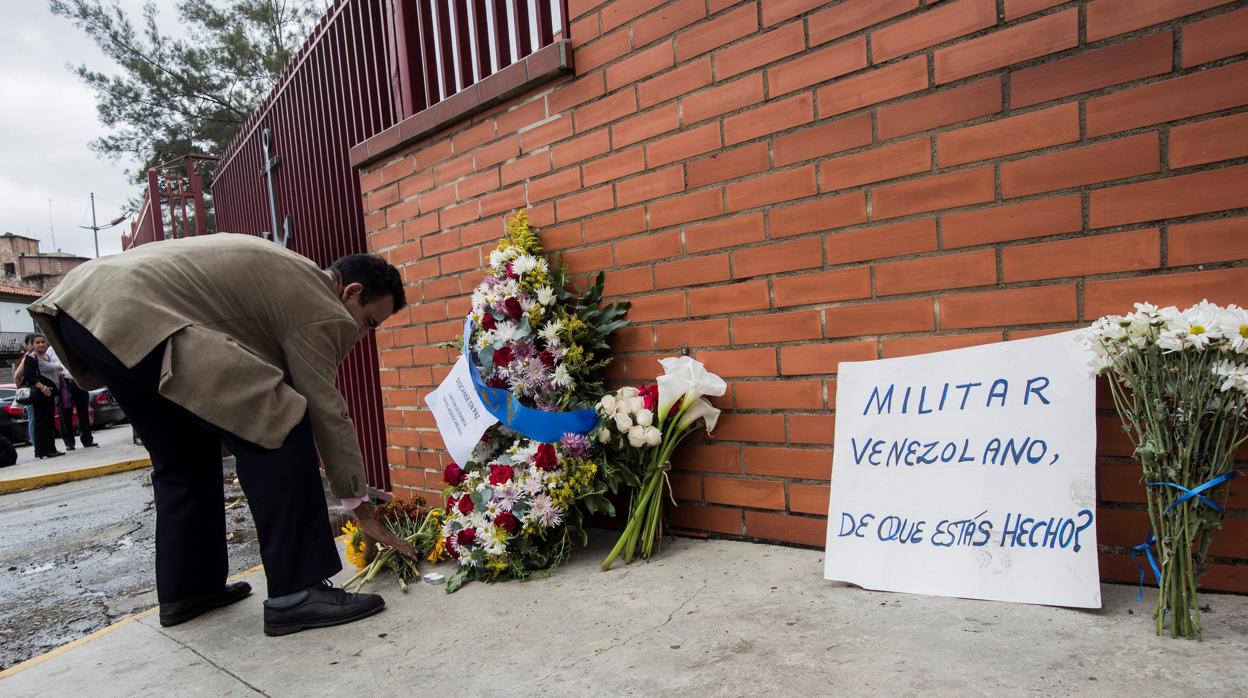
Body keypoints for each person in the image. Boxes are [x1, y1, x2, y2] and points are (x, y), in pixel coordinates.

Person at [29, 233, 420, 636]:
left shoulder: (289, 275)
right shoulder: (321, 302)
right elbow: (325, 408)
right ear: (350, 291)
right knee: (279, 419)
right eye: (368, 322)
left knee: (185, 455)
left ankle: (190, 591)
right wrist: (361, 508)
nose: (362, 335)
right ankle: (297, 592)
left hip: (84, 309)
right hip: (136, 311)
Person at [19, 334, 65, 459]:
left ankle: (51, 448)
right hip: (40, 394)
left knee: (49, 422)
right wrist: (43, 388)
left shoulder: (46, 356)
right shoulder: (31, 358)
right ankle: (42, 450)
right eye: (37, 342)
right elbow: (29, 376)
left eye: (43, 342)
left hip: (50, 394)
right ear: (32, 345)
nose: (41, 344)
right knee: (41, 422)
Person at [48, 346, 96, 450]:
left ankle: (87, 440)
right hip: (63, 383)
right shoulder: (51, 350)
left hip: (78, 381)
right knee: (65, 413)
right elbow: (49, 367)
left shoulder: (72, 344)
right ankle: (69, 442)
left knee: (83, 411)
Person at [13, 334, 37, 446]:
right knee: (33, 418)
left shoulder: (38, 355)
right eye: (32, 343)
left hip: (37, 391)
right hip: (31, 392)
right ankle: (35, 443)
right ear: (27, 344)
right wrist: (21, 388)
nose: (36, 345)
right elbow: (17, 375)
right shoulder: (27, 357)